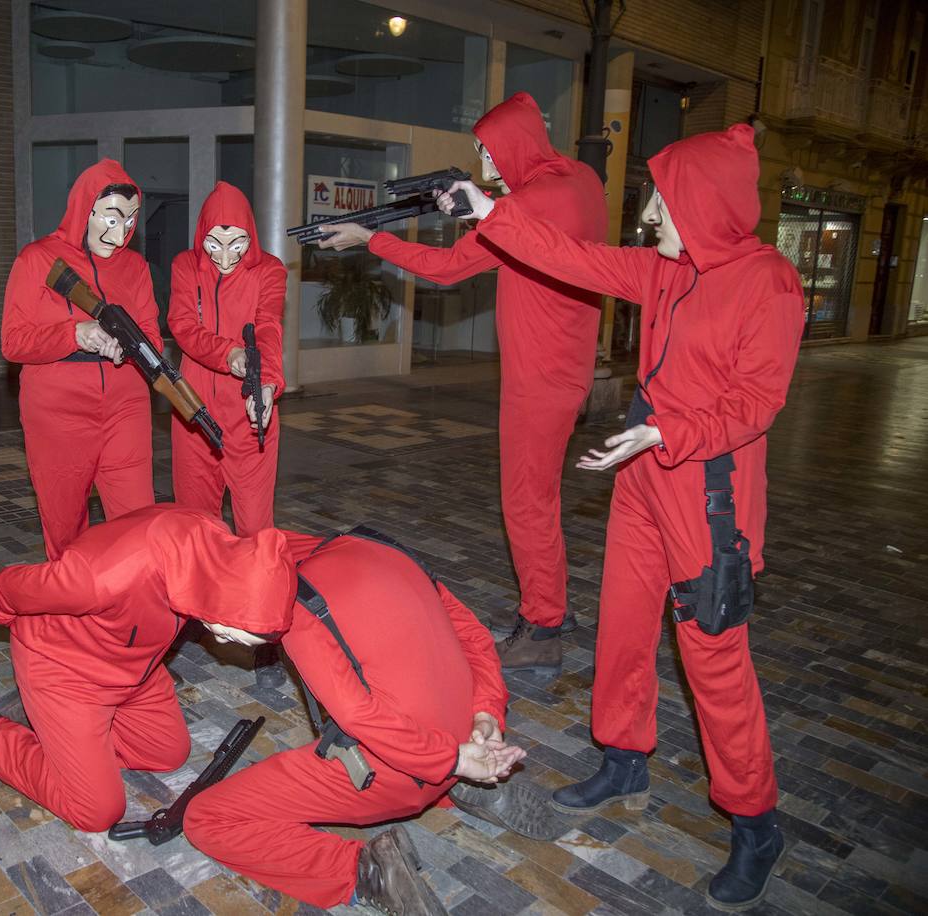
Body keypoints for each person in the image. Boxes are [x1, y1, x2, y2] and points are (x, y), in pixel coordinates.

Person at [449, 123, 802, 911]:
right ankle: (622, 758)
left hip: (707, 493)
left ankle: (755, 822)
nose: (650, 217)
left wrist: (671, 431)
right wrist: (489, 209)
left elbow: (758, 402)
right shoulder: (668, 272)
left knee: (714, 660)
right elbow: (575, 259)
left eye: (664, 201)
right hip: (643, 476)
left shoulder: (768, 282)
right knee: (623, 626)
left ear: (704, 204)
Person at [317, 93, 607, 679]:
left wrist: (368, 240)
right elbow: (528, 220)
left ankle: (544, 627)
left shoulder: (534, 200)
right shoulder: (577, 179)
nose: (485, 166)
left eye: (490, 152)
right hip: (564, 366)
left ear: (517, 145)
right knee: (540, 499)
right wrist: (487, 207)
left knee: (525, 502)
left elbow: (449, 269)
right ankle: (552, 605)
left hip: (541, 377)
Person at [184, 527, 526, 915]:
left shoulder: (298, 613)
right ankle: (459, 788)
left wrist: (452, 761)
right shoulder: (385, 546)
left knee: (209, 817)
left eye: (223, 628)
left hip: (410, 771)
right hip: (469, 730)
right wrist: (487, 713)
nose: (219, 638)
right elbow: (475, 636)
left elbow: (359, 714)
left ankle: (365, 872)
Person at [0, 505, 296, 834]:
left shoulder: (218, 552)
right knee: (96, 810)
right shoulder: (102, 577)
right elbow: (9, 588)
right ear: (223, 604)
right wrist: (7, 622)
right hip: (67, 668)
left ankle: (56, 733)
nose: (228, 644)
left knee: (167, 754)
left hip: (135, 667)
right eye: (232, 635)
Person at [2, 159, 159, 559]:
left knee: (138, 524)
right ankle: (75, 612)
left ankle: (134, 615)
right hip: (58, 411)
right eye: (111, 216)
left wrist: (128, 346)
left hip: (126, 405)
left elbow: (151, 336)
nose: (120, 230)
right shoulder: (37, 259)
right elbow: (14, 342)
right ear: (84, 209)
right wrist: (76, 334)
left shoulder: (136, 266)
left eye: (130, 220)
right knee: (66, 528)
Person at [168, 180, 286, 537]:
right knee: (196, 524)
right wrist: (228, 352)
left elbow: (268, 328)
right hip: (194, 409)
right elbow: (183, 326)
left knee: (254, 525)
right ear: (201, 234)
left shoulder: (269, 270)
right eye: (214, 245)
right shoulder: (186, 266)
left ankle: (254, 590)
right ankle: (200, 592)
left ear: (251, 235)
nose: (224, 257)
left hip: (248, 413)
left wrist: (266, 383)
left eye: (237, 245)